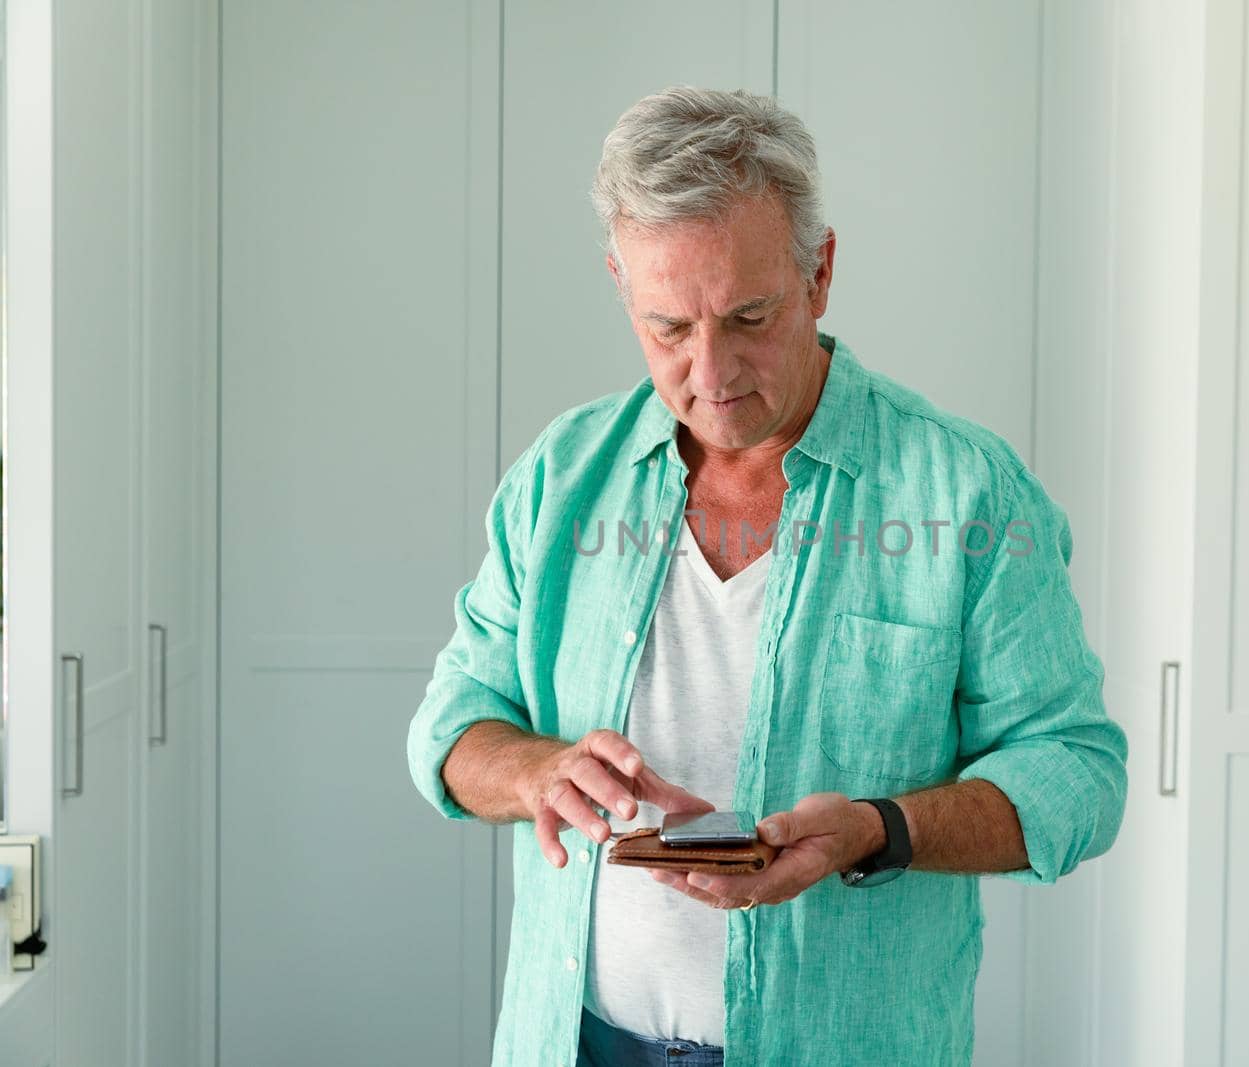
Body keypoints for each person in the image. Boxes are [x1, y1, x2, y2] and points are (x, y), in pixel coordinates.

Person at [406, 85, 1128, 1067]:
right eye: (667, 327)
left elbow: (1075, 773)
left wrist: (878, 828)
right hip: (573, 1039)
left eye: (749, 316)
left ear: (819, 271)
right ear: (620, 282)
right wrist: (539, 767)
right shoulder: (558, 474)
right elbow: (450, 731)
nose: (711, 370)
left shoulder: (964, 489)